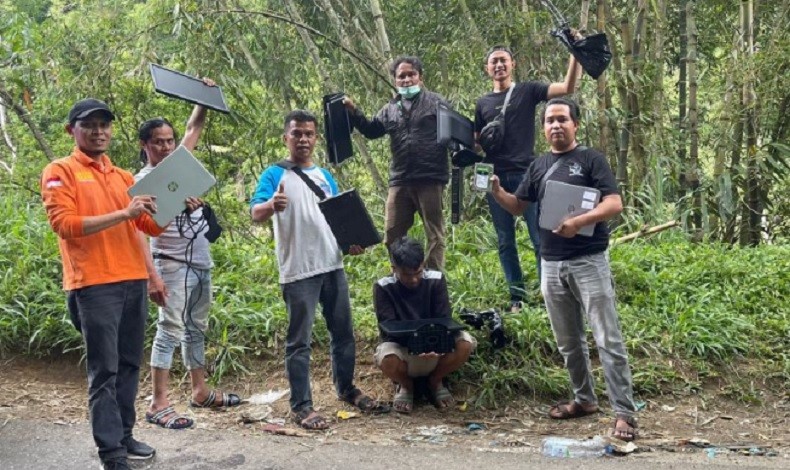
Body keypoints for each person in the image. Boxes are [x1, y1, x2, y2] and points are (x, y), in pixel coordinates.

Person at [490, 98, 638, 441]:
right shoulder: (538, 165)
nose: (555, 125)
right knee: (568, 342)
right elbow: (518, 206)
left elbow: (614, 203)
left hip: (589, 261)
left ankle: (624, 413)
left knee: (607, 338)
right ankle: (584, 399)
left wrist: (580, 221)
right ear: (543, 128)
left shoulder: (591, 159)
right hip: (551, 264)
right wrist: (497, 191)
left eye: (562, 119)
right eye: (549, 121)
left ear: (575, 124)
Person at [41, 98, 165, 469]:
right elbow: (64, 225)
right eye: (90, 125)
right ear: (72, 130)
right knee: (104, 371)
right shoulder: (60, 171)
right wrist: (124, 213)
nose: (99, 132)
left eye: (104, 125)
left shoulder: (123, 176)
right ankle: (111, 453)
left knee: (129, 365)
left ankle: (124, 436)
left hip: (132, 280)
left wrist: (175, 204)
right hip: (93, 285)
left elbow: (148, 226)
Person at [250, 110, 383, 430]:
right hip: (298, 270)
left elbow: (337, 217)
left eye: (309, 134)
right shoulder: (274, 174)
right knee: (299, 342)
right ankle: (302, 406)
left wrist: (351, 242)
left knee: (343, 333)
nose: (303, 139)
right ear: (286, 137)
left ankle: (346, 389)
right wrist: (271, 205)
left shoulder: (324, 175)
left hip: (332, 263)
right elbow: (255, 213)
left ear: (316, 138)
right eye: (297, 133)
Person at [136, 81, 241, 431]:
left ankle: (200, 391)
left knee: (196, 328)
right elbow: (137, 233)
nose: (166, 147)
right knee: (169, 329)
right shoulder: (142, 183)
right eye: (158, 142)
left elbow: (194, 127)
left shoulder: (179, 168)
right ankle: (158, 402)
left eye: (169, 141)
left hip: (199, 261)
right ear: (144, 145)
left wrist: (204, 97)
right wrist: (151, 276)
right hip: (170, 263)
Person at [475, 46, 580, 313]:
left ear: (513, 64)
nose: (499, 65)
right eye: (494, 62)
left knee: (540, 237)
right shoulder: (482, 103)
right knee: (505, 241)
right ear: (487, 68)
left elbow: (567, 88)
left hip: (527, 174)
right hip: (495, 177)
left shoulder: (527, 90)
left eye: (503, 60)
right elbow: (476, 142)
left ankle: (549, 293)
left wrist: (575, 53)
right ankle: (517, 297)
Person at [344, 56, 450, 271]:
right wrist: (354, 112)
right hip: (400, 179)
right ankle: (401, 276)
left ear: (420, 77)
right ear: (395, 80)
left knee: (435, 234)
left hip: (430, 178)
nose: (407, 79)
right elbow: (372, 130)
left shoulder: (437, 103)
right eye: (402, 76)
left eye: (411, 74)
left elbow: (454, 133)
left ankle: (433, 279)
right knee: (392, 233)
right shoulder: (390, 108)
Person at [373, 237, 476, 414]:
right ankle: (406, 385)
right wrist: (418, 344)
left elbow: (443, 318)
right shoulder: (383, 287)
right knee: (386, 358)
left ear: (423, 265)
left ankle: (436, 380)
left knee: (465, 343)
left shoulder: (436, 279)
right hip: (404, 348)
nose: (414, 279)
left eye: (418, 272)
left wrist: (432, 343)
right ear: (394, 269)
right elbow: (389, 328)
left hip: (435, 345)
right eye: (407, 275)